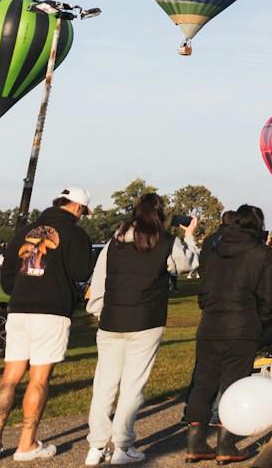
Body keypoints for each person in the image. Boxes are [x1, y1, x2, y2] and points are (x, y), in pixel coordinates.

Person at [85, 193, 201, 465]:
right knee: (132, 386)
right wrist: (190, 236)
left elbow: (100, 278)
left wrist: (99, 310)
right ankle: (122, 445)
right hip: (146, 320)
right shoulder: (166, 242)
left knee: (104, 384)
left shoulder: (114, 242)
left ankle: (97, 445)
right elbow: (189, 263)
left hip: (113, 319)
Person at [0, 185, 98, 463]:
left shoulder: (24, 231)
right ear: (76, 207)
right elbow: (82, 272)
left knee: (9, 377)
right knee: (39, 378)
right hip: (52, 310)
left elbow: (7, 275)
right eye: (83, 211)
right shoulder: (76, 234)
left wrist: (22, 291)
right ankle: (26, 443)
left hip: (20, 308)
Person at [186, 205, 272, 464]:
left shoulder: (215, 251)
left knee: (203, 382)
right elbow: (267, 297)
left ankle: (195, 440)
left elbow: (203, 291)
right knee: (233, 385)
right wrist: (261, 321)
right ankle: (226, 443)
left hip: (211, 324)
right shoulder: (262, 254)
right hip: (242, 325)